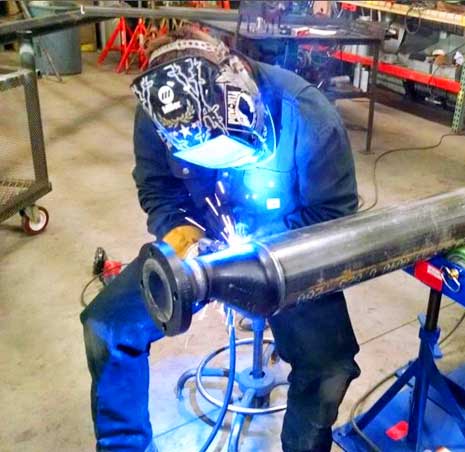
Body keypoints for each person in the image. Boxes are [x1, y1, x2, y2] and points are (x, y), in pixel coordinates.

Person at [81, 28, 360, 452]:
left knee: (329, 365)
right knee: (108, 325)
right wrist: (181, 233)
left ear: (241, 86)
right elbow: (157, 188)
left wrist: (269, 247)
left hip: (290, 256)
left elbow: (335, 216)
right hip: (202, 252)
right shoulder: (162, 108)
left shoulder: (306, 114)